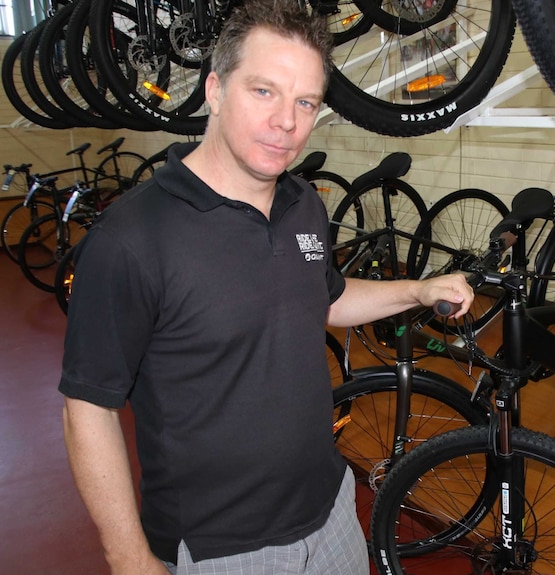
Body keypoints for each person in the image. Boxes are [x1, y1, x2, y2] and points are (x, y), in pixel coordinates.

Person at [57, 1, 474, 574]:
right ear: (214, 90)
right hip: (222, 548)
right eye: (264, 91)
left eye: (306, 102)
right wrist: (129, 557)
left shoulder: (302, 202)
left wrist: (416, 291)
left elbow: (323, 297)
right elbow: (88, 407)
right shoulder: (133, 238)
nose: (288, 121)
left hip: (330, 515)